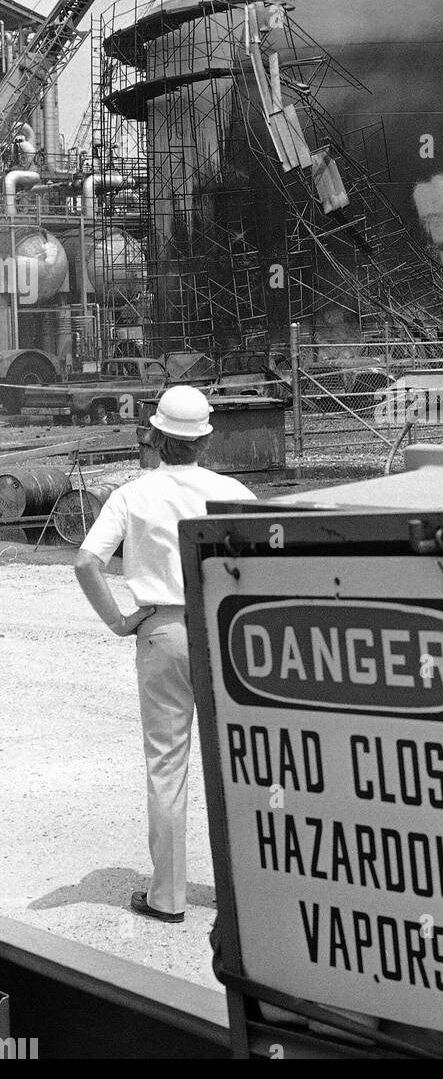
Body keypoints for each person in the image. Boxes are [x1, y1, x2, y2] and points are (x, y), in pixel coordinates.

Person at [74, 385, 257, 924]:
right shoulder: (234, 494)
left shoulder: (133, 494)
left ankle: (168, 896)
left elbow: (87, 562)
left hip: (162, 630)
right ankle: (247, 891)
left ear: (153, 436)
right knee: (239, 764)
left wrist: (119, 621)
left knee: (167, 766)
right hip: (224, 631)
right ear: (205, 439)